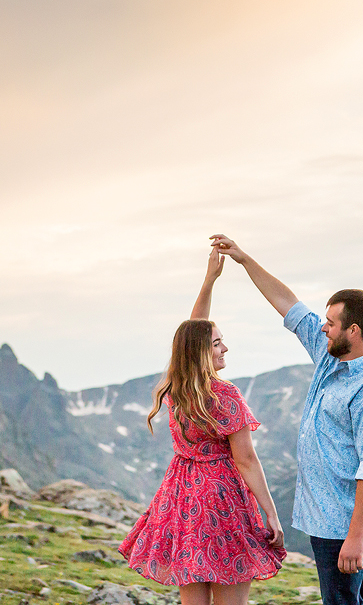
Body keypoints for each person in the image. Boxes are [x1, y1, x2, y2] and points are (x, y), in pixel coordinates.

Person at [210, 234, 363, 605]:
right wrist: (244, 259)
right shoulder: (331, 353)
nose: (322, 327)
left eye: (331, 322)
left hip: (343, 525)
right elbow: (288, 305)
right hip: (325, 519)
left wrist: (355, 537)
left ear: (354, 332)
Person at [118, 245, 286, 605]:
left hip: (182, 498)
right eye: (218, 343)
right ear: (201, 352)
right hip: (222, 500)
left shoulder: (177, 389)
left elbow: (191, 334)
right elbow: (247, 461)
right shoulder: (226, 396)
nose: (225, 348)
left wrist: (209, 281)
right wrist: (271, 514)